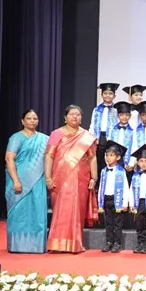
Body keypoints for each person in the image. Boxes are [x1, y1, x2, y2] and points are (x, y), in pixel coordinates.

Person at [45, 104, 99, 253]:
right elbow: (49, 156)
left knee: (77, 211)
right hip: (60, 179)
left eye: (78, 114)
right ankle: (57, 244)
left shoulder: (86, 136)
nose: (75, 117)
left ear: (81, 118)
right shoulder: (56, 134)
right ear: (65, 117)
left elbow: (92, 158)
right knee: (61, 210)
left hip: (81, 180)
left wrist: (94, 178)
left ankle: (75, 244)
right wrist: (48, 178)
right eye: (72, 114)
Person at [4, 109, 49, 253]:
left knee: (37, 211)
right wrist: (16, 180)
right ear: (22, 121)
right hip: (18, 180)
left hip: (38, 180)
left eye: (35, 118)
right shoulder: (16, 138)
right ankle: (17, 245)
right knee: (19, 212)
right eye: (29, 118)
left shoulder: (44, 139)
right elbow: (9, 159)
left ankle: (37, 246)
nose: (32, 121)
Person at [97, 140, 130, 254]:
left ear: (118, 157)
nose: (108, 158)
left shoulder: (121, 171)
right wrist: (100, 202)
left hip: (117, 200)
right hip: (107, 199)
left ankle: (117, 243)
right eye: (107, 155)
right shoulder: (103, 171)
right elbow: (101, 186)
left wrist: (125, 203)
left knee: (117, 223)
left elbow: (125, 187)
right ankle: (109, 242)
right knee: (108, 223)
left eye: (111, 155)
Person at [89, 83, 120, 173]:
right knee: (98, 159)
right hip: (99, 137)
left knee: (110, 158)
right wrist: (92, 138)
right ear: (102, 95)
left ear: (114, 96)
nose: (108, 95)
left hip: (111, 137)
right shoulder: (96, 109)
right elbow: (92, 124)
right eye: (105, 93)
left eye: (110, 93)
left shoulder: (116, 110)